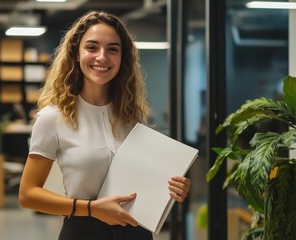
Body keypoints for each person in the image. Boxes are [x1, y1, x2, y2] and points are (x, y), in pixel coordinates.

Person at [19, 10, 192, 240]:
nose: (102, 57)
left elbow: (144, 180)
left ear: (122, 58)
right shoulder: (53, 118)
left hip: (136, 232)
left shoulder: (132, 116)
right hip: (83, 232)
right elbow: (28, 194)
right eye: (92, 47)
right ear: (77, 54)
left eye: (113, 49)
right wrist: (92, 208)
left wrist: (172, 188)